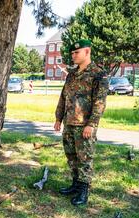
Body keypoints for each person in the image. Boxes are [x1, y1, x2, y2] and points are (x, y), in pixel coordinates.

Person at [54, 39, 109, 206]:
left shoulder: (98, 74)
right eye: (72, 53)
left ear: (87, 52)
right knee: (72, 157)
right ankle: (75, 185)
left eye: (76, 52)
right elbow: (64, 97)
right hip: (69, 122)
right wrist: (58, 118)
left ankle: (84, 191)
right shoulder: (72, 74)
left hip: (84, 125)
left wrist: (91, 124)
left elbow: (100, 102)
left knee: (84, 159)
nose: (73, 55)